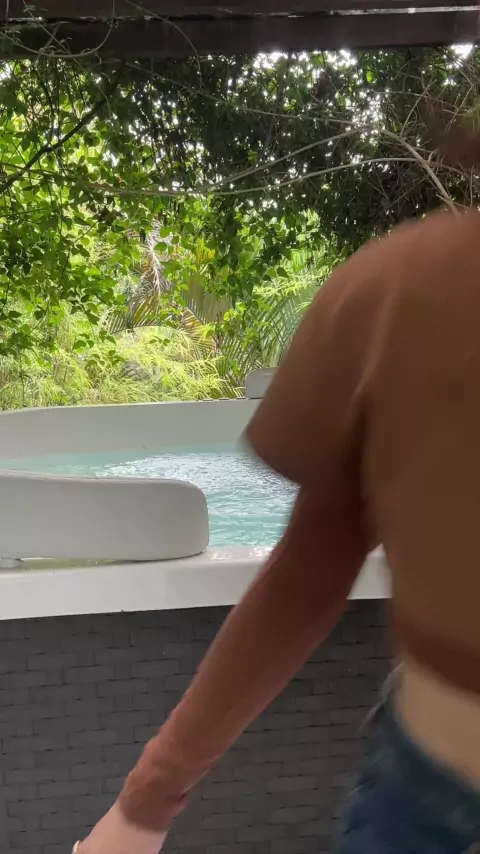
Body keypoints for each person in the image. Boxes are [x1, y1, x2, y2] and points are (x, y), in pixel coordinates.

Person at [76, 206, 480, 854]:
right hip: (421, 798)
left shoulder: (405, 280)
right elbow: (308, 573)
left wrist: (145, 803)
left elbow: (305, 576)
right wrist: (146, 800)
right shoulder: (402, 289)